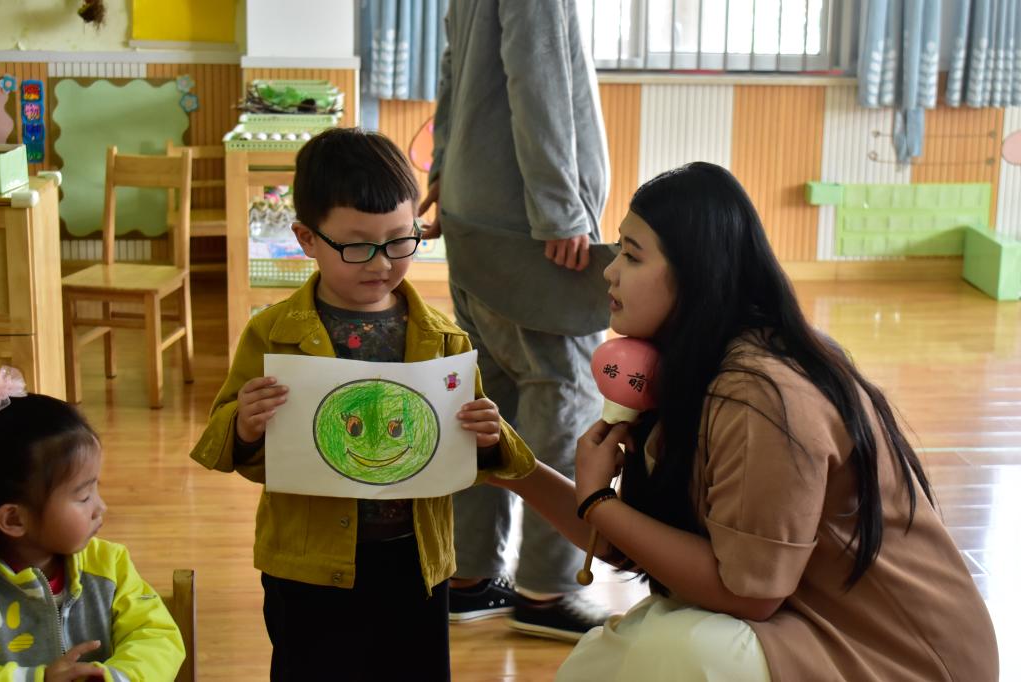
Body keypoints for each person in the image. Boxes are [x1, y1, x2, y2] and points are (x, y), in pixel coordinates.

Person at [495, 163, 999, 681]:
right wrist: (515, 469)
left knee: (673, 648)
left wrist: (599, 501)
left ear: (696, 274)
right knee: (605, 661)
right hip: (811, 621)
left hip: (900, 657)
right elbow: (642, 544)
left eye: (632, 254)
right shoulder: (688, 364)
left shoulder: (759, 393)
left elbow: (749, 595)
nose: (610, 271)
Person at [189, 128, 535, 681]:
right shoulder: (273, 334)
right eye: (357, 246)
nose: (381, 263)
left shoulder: (443, 337)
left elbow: (471, 454)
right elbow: (226, 441)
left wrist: (488, 435)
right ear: (306, 238)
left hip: (415, 561)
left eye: (400, 241)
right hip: (308, 564)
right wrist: (246, 425)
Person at [419, 0, 614, 640]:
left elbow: (452, 70)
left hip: (473, 211)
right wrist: (560, 210)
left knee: (489, 399)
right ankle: (545, 590)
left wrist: (442, 170)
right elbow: (539, 73)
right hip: (526, 222)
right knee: (564, 394)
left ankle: (469, 576)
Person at [0, 366, 185, 681]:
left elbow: (157, 636)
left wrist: (115, 676)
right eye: (84, 497)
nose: (100, 507)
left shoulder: (109, 566)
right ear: (14, 519)